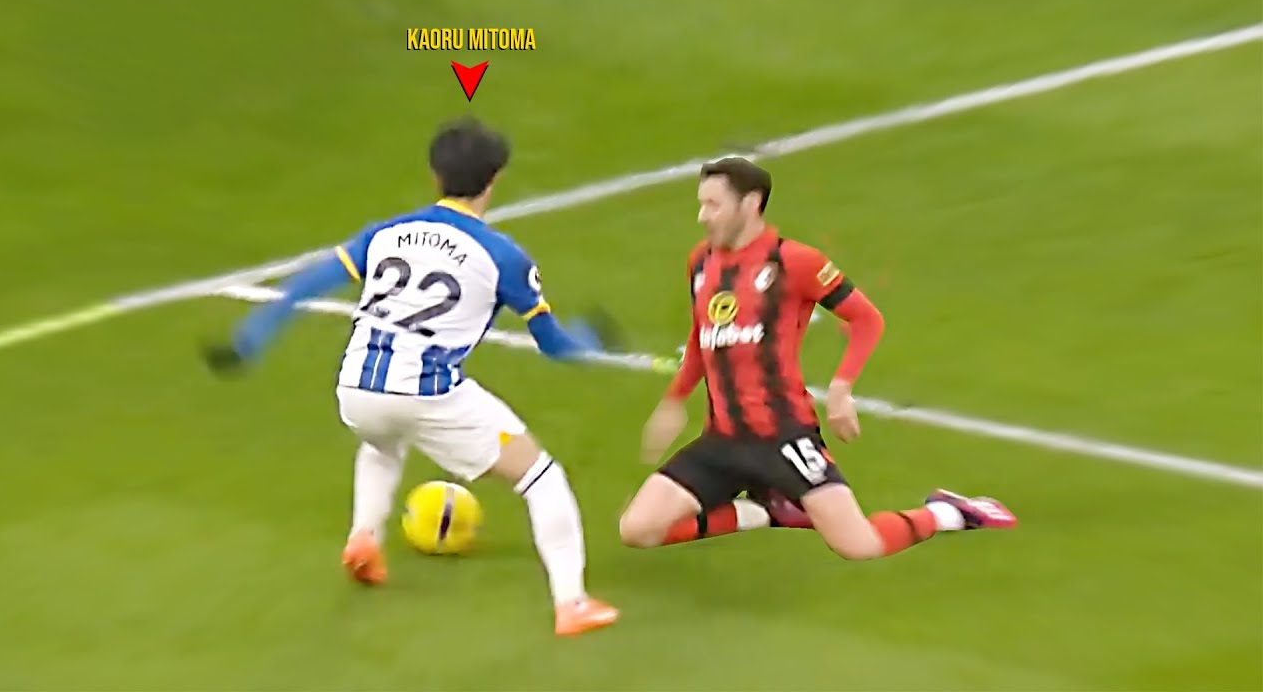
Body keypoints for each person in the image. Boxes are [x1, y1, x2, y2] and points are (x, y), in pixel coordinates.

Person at [203, 117, 618, 637]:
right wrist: (591, 339)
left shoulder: (385, 233)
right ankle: (572, 603)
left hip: (356, 389)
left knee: (381, 441)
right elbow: (556, 347)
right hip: (429, 395)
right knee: (541, 476)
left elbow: (305, 285)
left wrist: (249, 340)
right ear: (494, 179)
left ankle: (364, 538)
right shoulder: (504, 257)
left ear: (434, 174)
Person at [618, 156, 1016, 560]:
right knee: (637, 529)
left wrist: (841, 389)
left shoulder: (795, 262)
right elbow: (703, 337)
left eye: (713, 205)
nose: (702, 216)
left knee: (858, 545)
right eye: (701, 204)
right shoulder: (701, 263)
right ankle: (764, 512)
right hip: (722, 441)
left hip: (784, 438)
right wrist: (674, 399)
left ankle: (948, 512)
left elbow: (866, 319)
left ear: (750, 204)